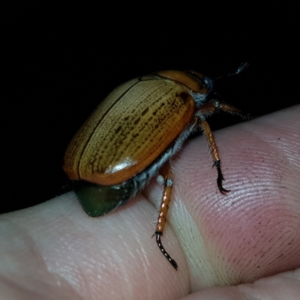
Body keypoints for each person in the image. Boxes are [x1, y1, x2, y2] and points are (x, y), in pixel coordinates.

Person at [1, 105, 299, 300]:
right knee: (169, 179)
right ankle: (158, 234)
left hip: (93, 165)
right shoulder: (183, 102)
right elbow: (211, 117)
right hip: (120, 169)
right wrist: (219, 160)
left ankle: (158, 233)